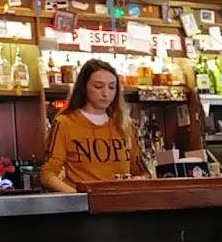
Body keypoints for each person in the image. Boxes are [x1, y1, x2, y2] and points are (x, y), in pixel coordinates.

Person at [41, 59, 146, 191]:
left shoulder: (125, 124)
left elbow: (142, 172)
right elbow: (48, 174)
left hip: (121, 201)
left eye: (111, 87)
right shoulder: (65, 123)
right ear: (84, 87)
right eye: (98, 86)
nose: (106, 93)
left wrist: (137, 183)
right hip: (83, 202)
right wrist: (79, 197)